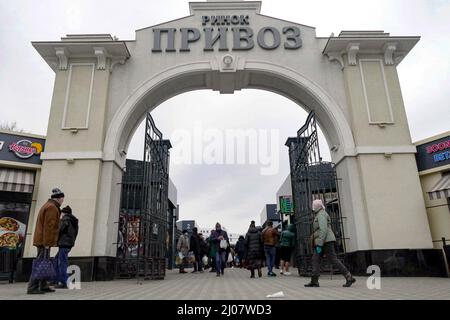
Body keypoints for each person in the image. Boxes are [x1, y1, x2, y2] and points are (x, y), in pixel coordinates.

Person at [305, 199, 356, 288]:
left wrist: (319, 243)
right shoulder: (320, 214)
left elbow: (323, 229)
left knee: (332, 259)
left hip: (325, 241)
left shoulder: (321, 215)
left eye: (314, 205)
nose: (313, 207)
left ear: (317, 206)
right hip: (323, 241)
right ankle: (314, 281)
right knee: (316, 259)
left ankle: (349, 276)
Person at [27, 188, 64, 294]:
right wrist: (47, 243)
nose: (63, 201)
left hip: (43, 241)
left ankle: (43, 285)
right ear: (58, 198)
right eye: (62, 198)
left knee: (44, 263)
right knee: (40, 264)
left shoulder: (48, 205)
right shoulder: (52, 208)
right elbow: (49, 227)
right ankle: (32, 287)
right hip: (44, 242)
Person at [54, 205, 79, 289]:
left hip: (64, 244)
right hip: (68, 244)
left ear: (64, 213)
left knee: (62, 262)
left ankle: (64, 282)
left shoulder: (65, 219)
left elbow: (59, 230)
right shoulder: (73, 221)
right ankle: (57, 279)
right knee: (57, 260)